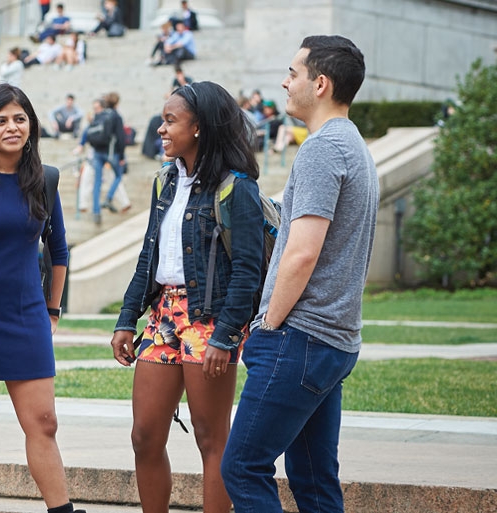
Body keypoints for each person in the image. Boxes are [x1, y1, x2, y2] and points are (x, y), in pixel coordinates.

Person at [221, 35, 379, 513]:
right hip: (334, 341)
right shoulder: (354, 146)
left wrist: (268, 324)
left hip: (300, 337)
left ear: (321, 83)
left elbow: (301, 254)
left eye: (293, 73)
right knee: (312, 480)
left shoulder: (321, 150)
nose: (285, 82)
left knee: (243, 467)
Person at [110, 81, 264, 513]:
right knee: (144, 435)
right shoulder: (166, 182)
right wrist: (127, 319)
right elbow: (149, 256)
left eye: (170, 121)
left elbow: (248, 271)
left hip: (211, 320)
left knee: (211, 437)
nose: (161, 129)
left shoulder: (237, 189)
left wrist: (227, 335)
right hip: (162, 317)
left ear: (199, 128)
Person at [0, 82, 84, 513]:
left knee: (44, 422)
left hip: (26, 316)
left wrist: (52, 309)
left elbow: (57, 251)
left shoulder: (45, 180)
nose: (11, 127)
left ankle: (60, 510)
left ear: (31, 125)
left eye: (19, 118)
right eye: (0, 120)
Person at [89, 92, 127, 225]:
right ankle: (109, 198)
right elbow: (121, 138)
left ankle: (96, 212)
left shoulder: (100, 115)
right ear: (116, 103)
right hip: (112, 153)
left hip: (97, 152)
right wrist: (122, 156)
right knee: (118, 176)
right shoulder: (116, 116)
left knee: (97, 183)